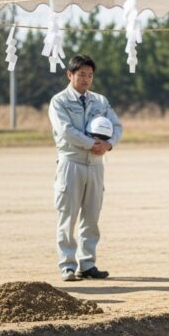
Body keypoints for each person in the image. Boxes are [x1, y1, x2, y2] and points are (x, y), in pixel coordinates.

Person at [48, 55, 122, 282]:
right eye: (81, 74)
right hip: (72, 162)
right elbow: (65, 130)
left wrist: (109, 144)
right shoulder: (59, 101)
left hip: (97, 164)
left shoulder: (100, 101)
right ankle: (67, 265)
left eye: (90, 75)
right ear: (70, 75)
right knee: (67, 215)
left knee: (91, 216)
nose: (86, 79)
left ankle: (87, 263)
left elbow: (117, 125)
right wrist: (92, 144)